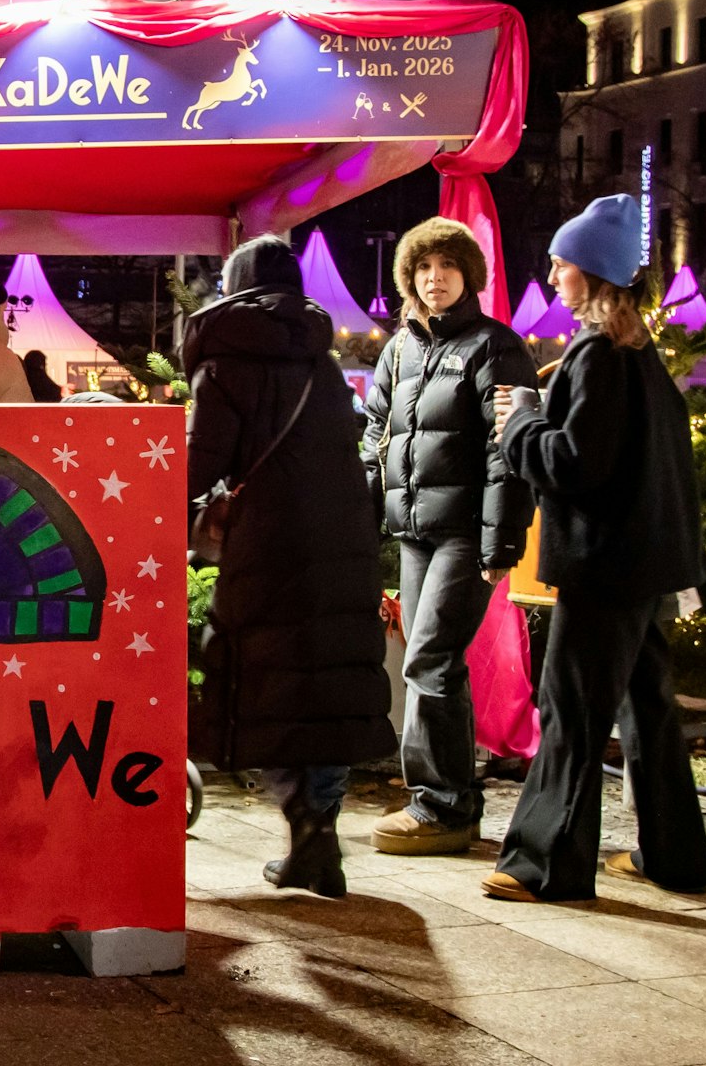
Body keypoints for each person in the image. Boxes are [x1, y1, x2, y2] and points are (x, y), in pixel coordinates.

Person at [482, 195, 706, 902]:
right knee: (648, 710)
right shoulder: (639, 354)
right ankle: (672, 856)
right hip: (649, 564)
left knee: (572, 709)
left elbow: (579, 464)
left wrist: (520, 422)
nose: (553, 274)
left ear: (592, 272)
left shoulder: (595, 355)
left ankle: (543, 862)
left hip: (606, 565)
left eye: (563, 263)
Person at [185, 237, 394, 896]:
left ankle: (304, 822)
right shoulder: (320, 362)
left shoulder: (223, 362)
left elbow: (200, 464)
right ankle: (319, 831)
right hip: (338, 540)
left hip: (266, 544)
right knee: (324, 678)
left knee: (262, 676)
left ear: (235, 285)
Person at [361, 217, 536, 856]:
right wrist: (362, 517)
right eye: (424, 268)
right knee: (429, 661)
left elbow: (507, 452)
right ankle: (441, 799)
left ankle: (444, 807)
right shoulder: (399, 349)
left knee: (430, 657)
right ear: (410, 277)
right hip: (414, 532)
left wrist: (500, 543)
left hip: (465, 531)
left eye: (447, 267)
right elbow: (375, 435)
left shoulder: (496, 346)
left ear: (468, 276)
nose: (435, 279)